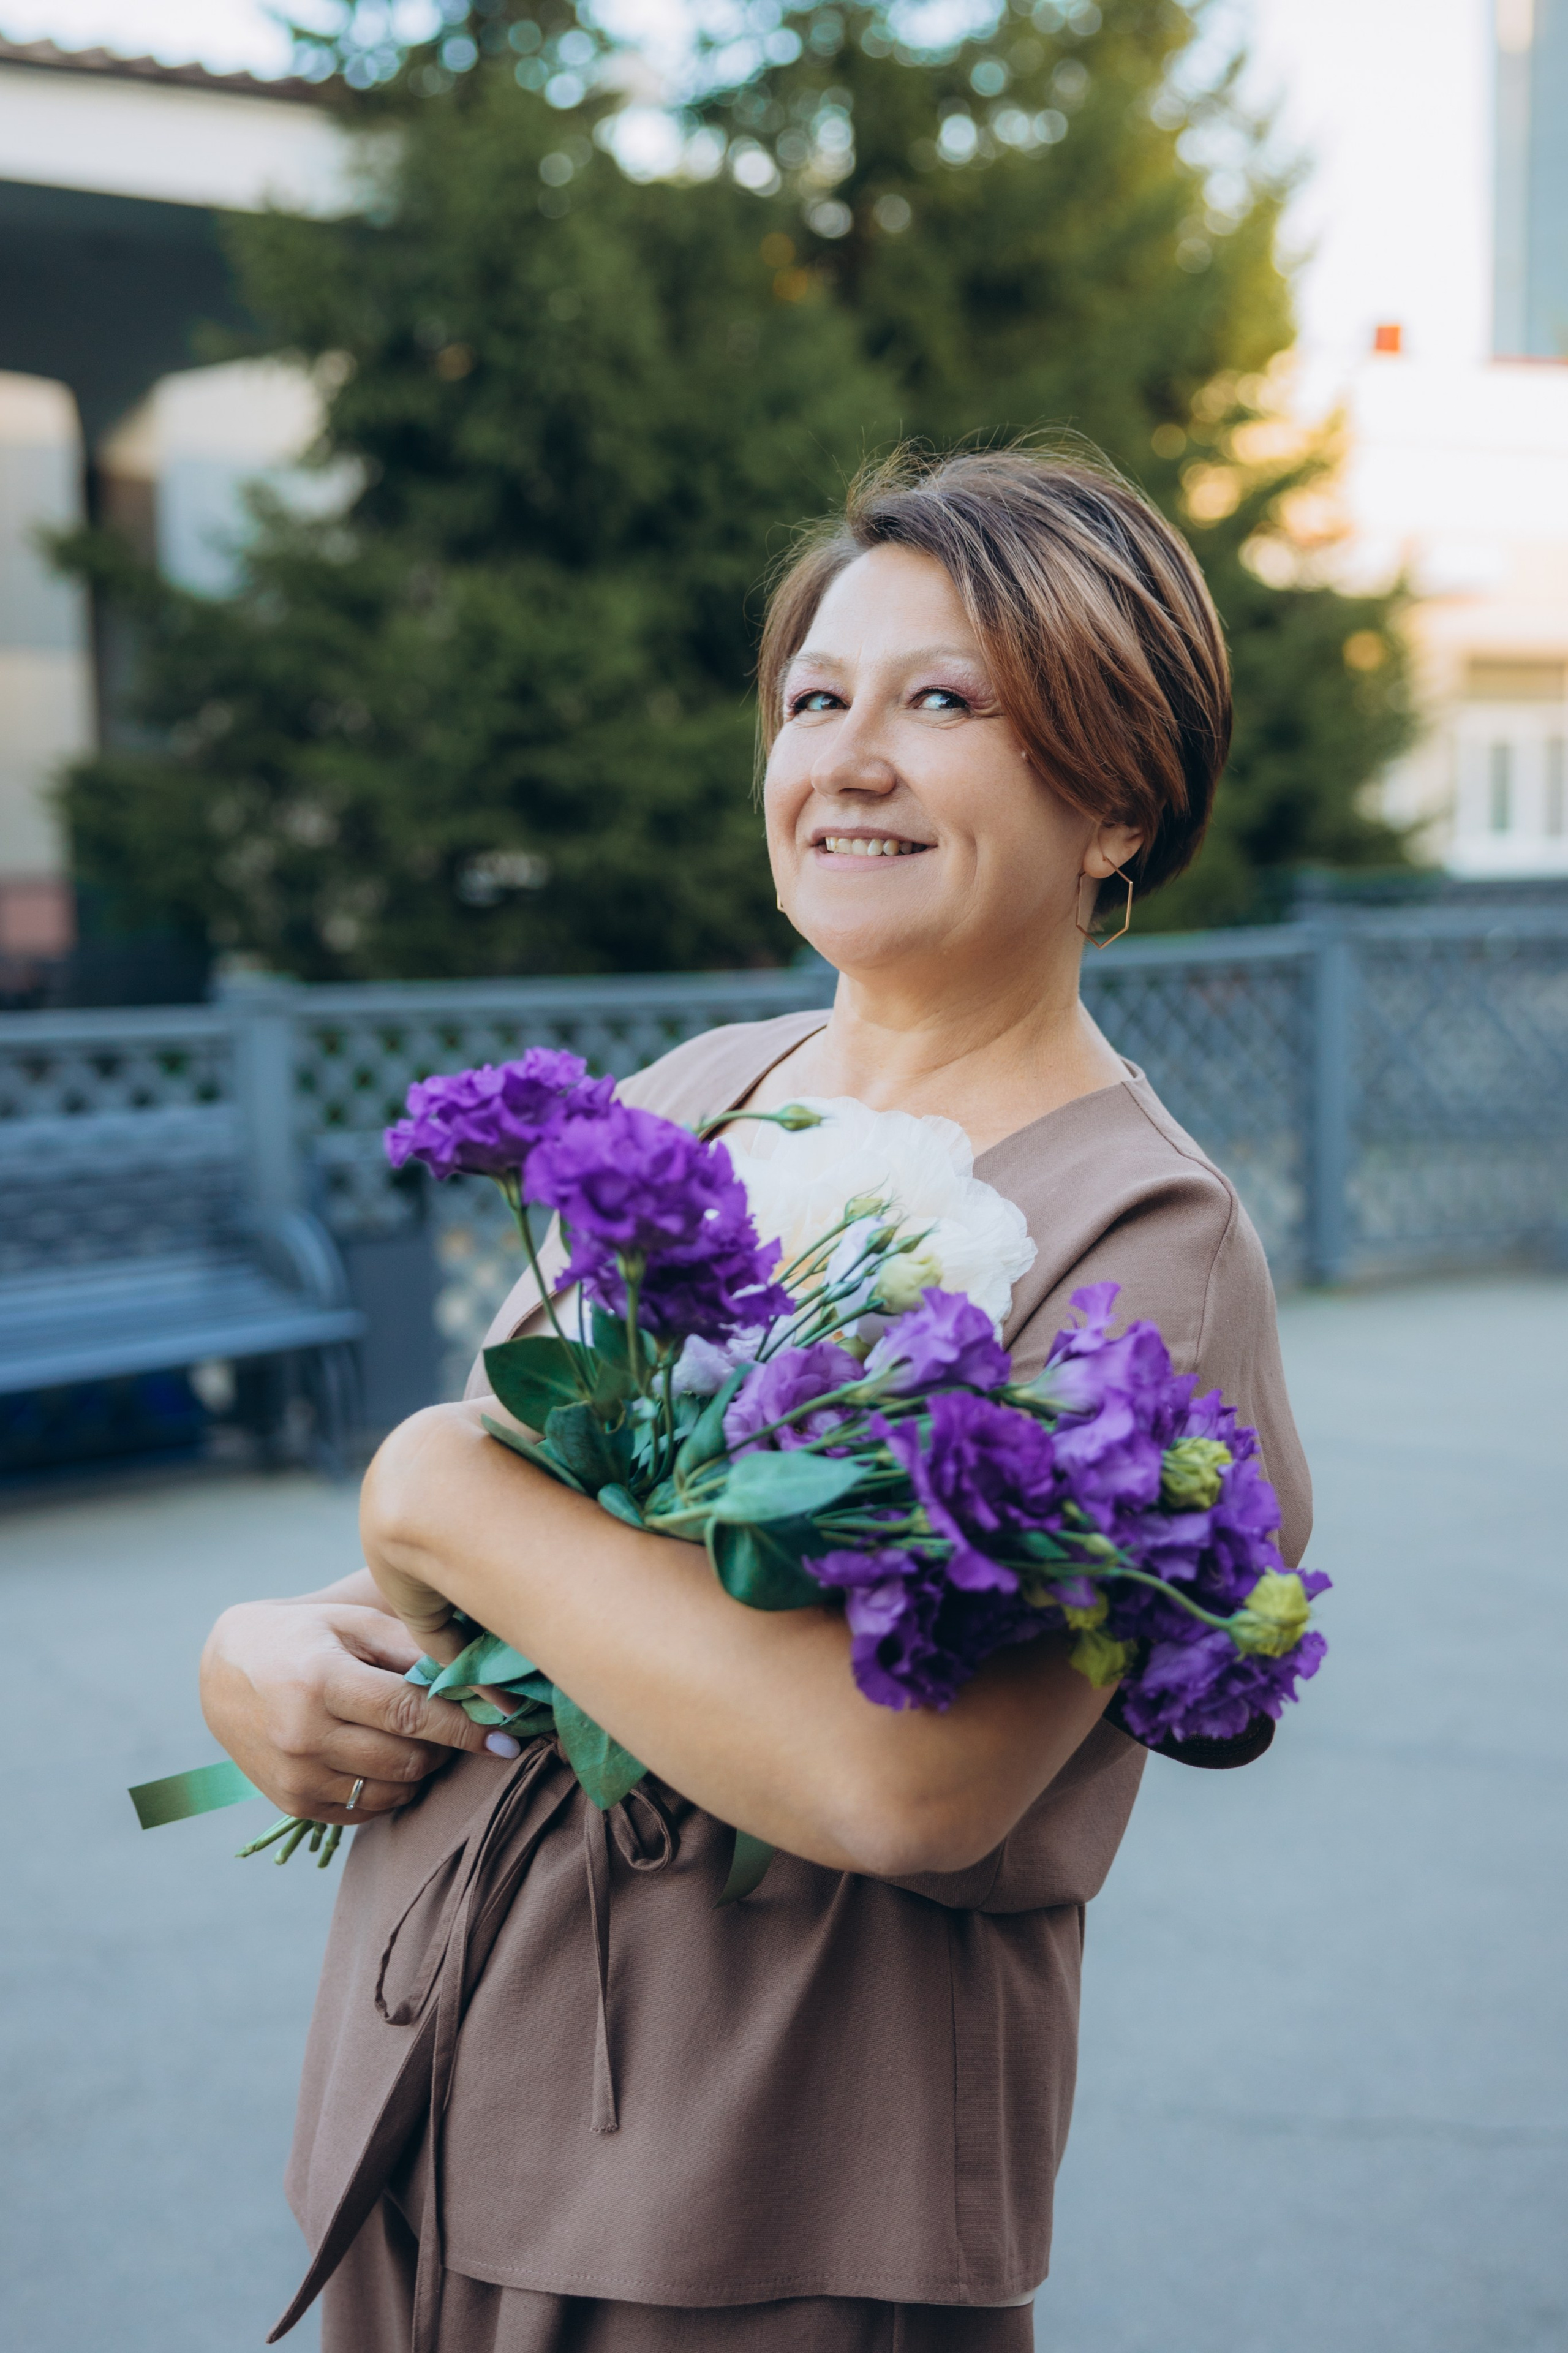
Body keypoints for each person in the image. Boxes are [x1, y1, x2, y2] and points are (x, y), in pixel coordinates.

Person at [201, 445, 1311, 2353]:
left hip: (757, 2203)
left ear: (1117, 798)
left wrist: (429, 1482)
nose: (849, 757)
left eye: (942, 702)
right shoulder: (709, 1083)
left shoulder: (1140, 1234)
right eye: (817, 698)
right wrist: (274, 1656)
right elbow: (494, 1590)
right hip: (430, 2102)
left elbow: (906, 1779)